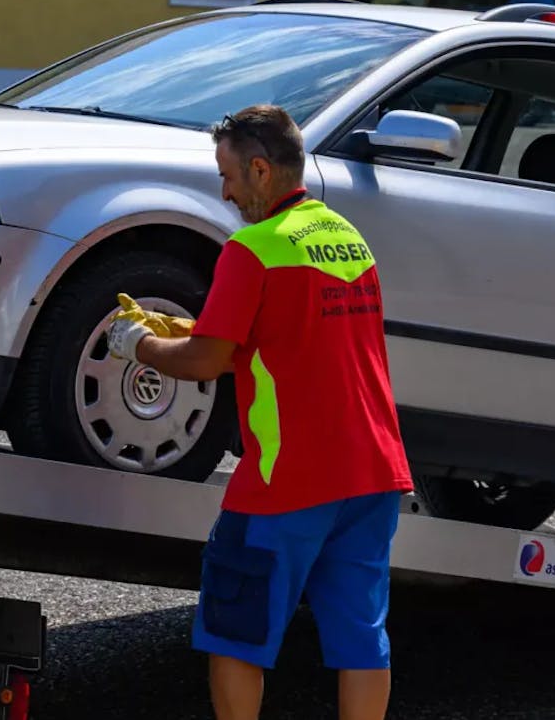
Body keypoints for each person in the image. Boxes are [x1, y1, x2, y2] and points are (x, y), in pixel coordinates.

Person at [104, 103, 413, 720]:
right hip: (373, 474)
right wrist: (192, 329)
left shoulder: (253, 249)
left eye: (228, 175)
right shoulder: (345, 239)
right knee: (360, 640)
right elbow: (292, 335)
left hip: (287, 481)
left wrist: (135, 342)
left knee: (236, 633)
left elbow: (204, 363)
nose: (224, 191)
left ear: (262, 170)